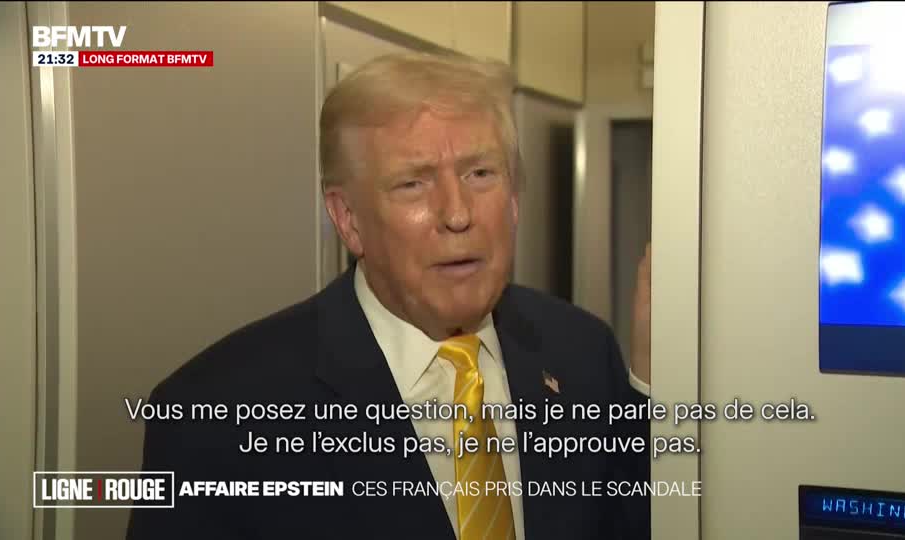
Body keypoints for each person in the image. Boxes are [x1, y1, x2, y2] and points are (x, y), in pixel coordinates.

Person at [128, 52, 650, 540]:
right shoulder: (214, 414)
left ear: (513, 200)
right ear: (348, 220)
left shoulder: (581, 351)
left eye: (480, 174)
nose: (457, 214)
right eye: (413, 184)